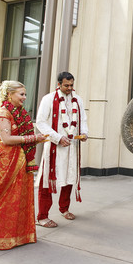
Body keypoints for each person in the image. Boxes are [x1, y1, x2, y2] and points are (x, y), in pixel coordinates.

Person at [0, 81, 47, 250]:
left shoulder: (20, 114)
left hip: (21, 160)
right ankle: (0, 237)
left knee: (20, 197)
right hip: (6, 161)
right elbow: (6, 139)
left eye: (25, 94)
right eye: (21, 94)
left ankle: (19, 236)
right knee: (5, 199)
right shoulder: (2, 113)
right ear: (9, 94)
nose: (24, 98)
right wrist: (34, 138)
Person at [35, 72, 88, 228]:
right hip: (54, 148)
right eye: (66, 85)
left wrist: (84, 133)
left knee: (69, 178)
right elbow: (41, 122)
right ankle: (42, 216)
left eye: (72, 85)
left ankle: (64, 209)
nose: (70, 88)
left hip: (72, 147)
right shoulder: (48, 99)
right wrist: (58, 138)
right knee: (48, 182)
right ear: (58, 84)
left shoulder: (77, 100)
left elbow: (83, 119)